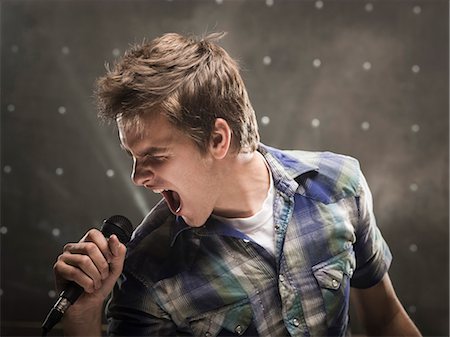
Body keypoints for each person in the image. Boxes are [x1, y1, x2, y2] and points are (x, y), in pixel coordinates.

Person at [53, 32, 422, 336]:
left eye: (155, 155)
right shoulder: (147, 269)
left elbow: (386, 320)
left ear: (217, 140)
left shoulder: (340, 186)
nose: (138, 177)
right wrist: (82, 317)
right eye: (132, 157)